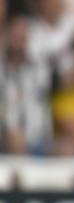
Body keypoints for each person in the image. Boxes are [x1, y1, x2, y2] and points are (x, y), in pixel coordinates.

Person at [0, 17, 52, 155]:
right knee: (15, 136)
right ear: (5, 37)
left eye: (22, 37)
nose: (18, 42)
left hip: (38, 139)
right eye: (14, 36)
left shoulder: (42, 70)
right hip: (6, 139)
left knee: (67, 149)